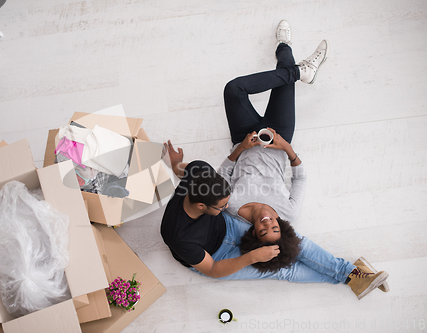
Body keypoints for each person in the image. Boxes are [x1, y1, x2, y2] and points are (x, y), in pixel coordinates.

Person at [160, 20, 389, 300]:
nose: (226, 207)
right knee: (281, 269)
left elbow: (189, 171)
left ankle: (353, 275)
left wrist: (175, 166)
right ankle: (351, 278)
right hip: (218, 254)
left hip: (232, 219)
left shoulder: (200, 176)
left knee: (297, 244)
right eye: (220, 207)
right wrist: (253, 256)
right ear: (200, 205)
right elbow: (214, 270)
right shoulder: (180, 237)